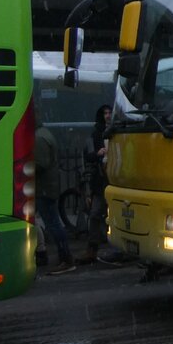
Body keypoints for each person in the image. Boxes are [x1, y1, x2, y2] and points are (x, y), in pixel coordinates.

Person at [34, 121, 75, 275]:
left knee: (53, 224)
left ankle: (66, 258)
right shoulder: (44, 134)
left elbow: (40, 164)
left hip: (44, 188)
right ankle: (61, 256)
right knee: (52, 222)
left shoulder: (38, 138)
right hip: (48, 187)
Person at [77, 105, 111, 265]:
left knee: (97, 215)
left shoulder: (111, 131)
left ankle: (93, 248)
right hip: (102, 180)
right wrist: (97, 154)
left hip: (108, 179)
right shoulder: (96, 134)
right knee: (96, 214)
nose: (108, 116)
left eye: (110, 113)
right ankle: (93, 247)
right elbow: (88, 154)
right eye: (105, 113)